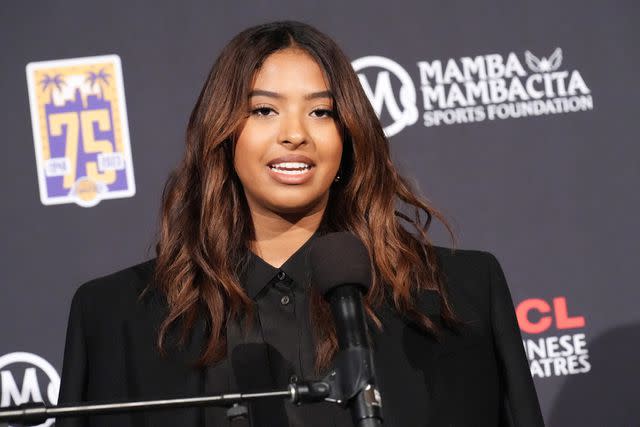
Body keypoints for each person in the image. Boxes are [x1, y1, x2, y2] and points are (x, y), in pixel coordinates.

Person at [58, 21, 544, 427]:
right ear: (223, 134)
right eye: (264, 110)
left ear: (349, 135)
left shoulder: (459, 294)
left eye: (320, 111)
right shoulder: (117, 317)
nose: (295, 134)